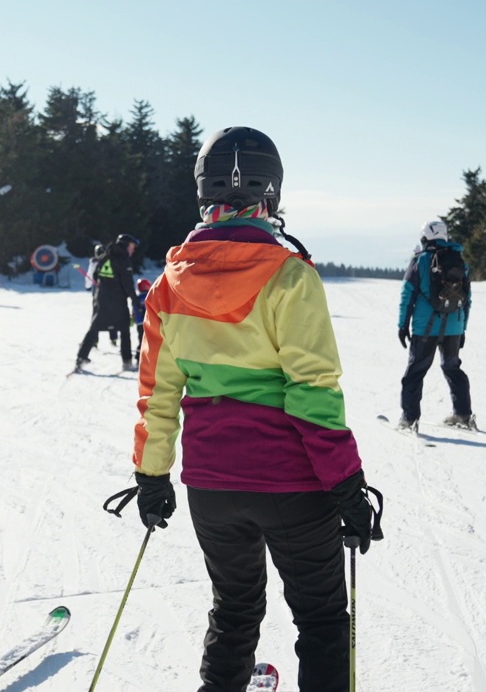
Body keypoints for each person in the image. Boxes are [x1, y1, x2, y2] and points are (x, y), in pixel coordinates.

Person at [131, 126, 380, 692]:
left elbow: (158, 394)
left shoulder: (169, 285)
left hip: (213, 491)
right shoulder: (290, 276)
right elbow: (313, 390)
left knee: (235, 611)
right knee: (320, 620)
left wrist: (151, 476)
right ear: (273, 194)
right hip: (292, 485)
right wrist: (346, 484)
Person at [396, 219, 473, 431]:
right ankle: (463, 414)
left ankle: (409, 420)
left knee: (415, 372)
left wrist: (403, 326)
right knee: (452, 368)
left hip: (426, 329)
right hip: (454, 329)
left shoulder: (420, 261)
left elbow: (407, 295)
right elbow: (468, 298)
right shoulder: (459, 261)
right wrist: (463, 328)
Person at [74, 233, 138, 373]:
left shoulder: (105, 257)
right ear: (126, 246)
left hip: (101, 299)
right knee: (124, 330)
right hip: (118, 302)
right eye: (132, 247)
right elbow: (128, 284)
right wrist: (136, 301)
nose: (133, 250)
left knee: (94, 328)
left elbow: (96, 277)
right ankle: (127, 362)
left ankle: (81, 358)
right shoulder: (123, 260)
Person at [132, 278, 151, 365]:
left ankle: (138, 357)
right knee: (147, 340)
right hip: (148, 323)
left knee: (141, 339)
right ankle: (144, 358)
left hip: (139, 323)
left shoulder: (137, 298)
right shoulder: (149, 296)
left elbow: (134, 311)